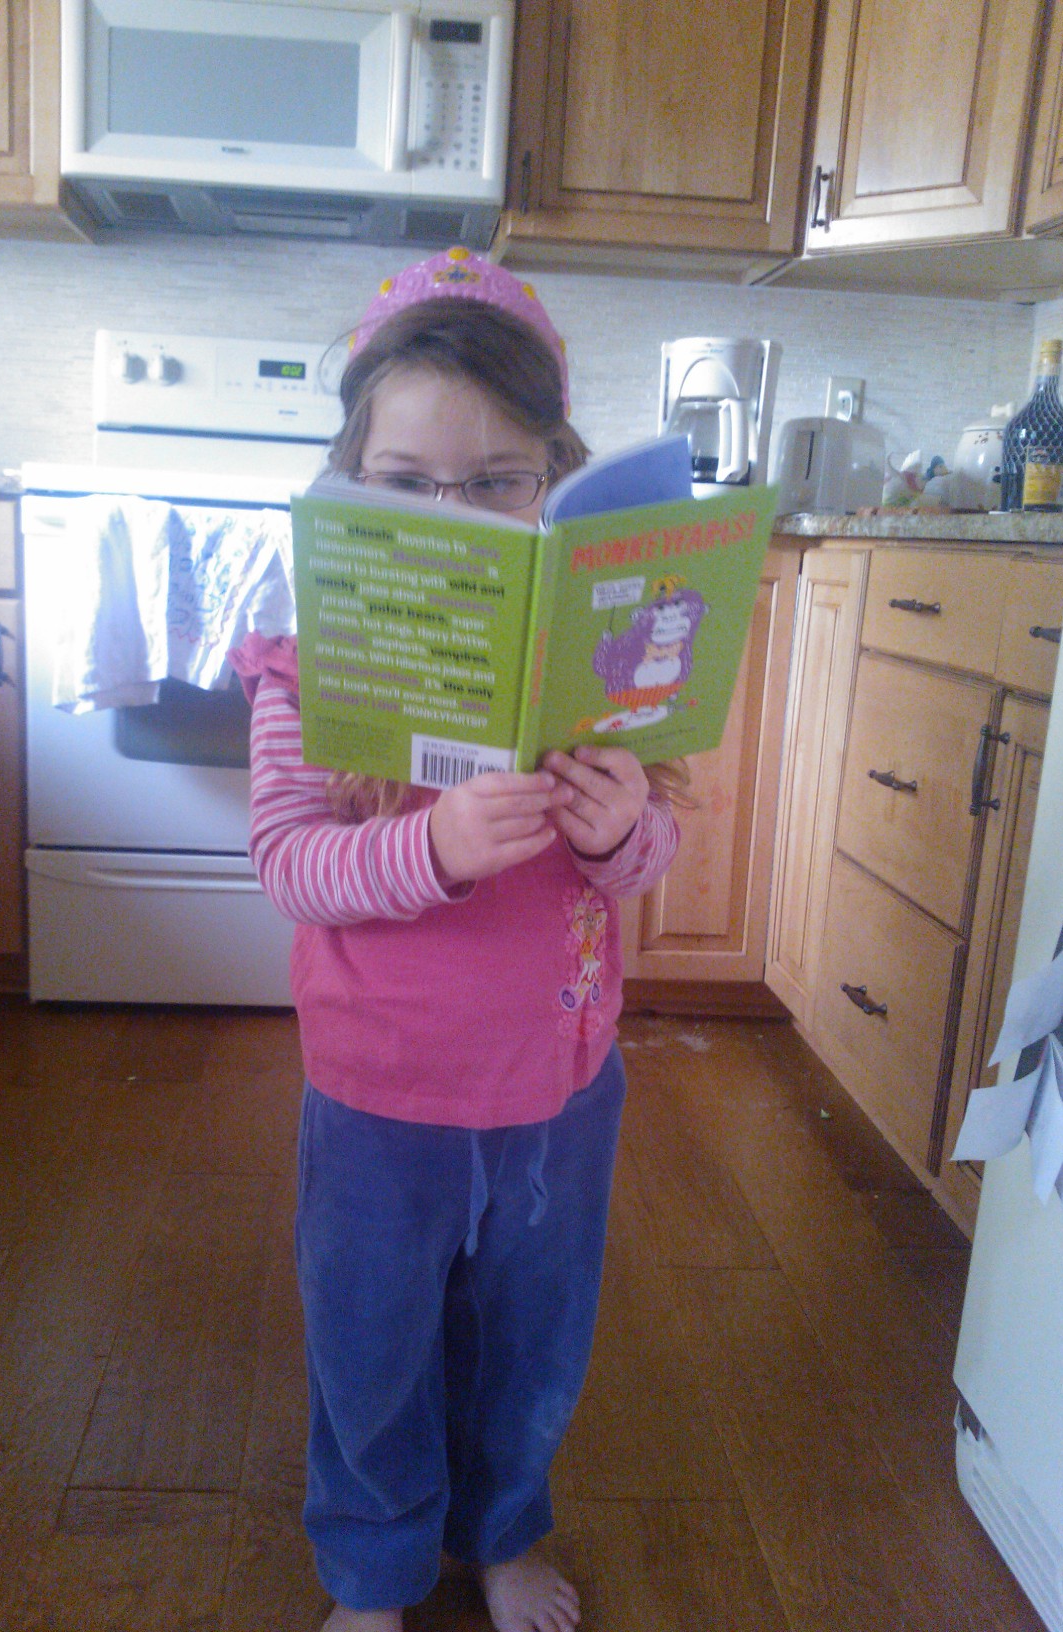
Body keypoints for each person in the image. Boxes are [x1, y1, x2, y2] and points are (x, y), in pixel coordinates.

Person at [231, 246, 683, 1632]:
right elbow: (289, 862)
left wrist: (618, 831)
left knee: (530, 1344)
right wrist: (429, 850)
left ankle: (502, 1530)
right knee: (372, 1349)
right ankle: (375, 1569)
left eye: (497, 482)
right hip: (381, 1093)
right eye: (408, 482)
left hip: (559, 1087)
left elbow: (648, 858)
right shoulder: (305, 668)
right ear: (351, 485)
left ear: (556, 482)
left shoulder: (600, 654)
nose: (457, 515)